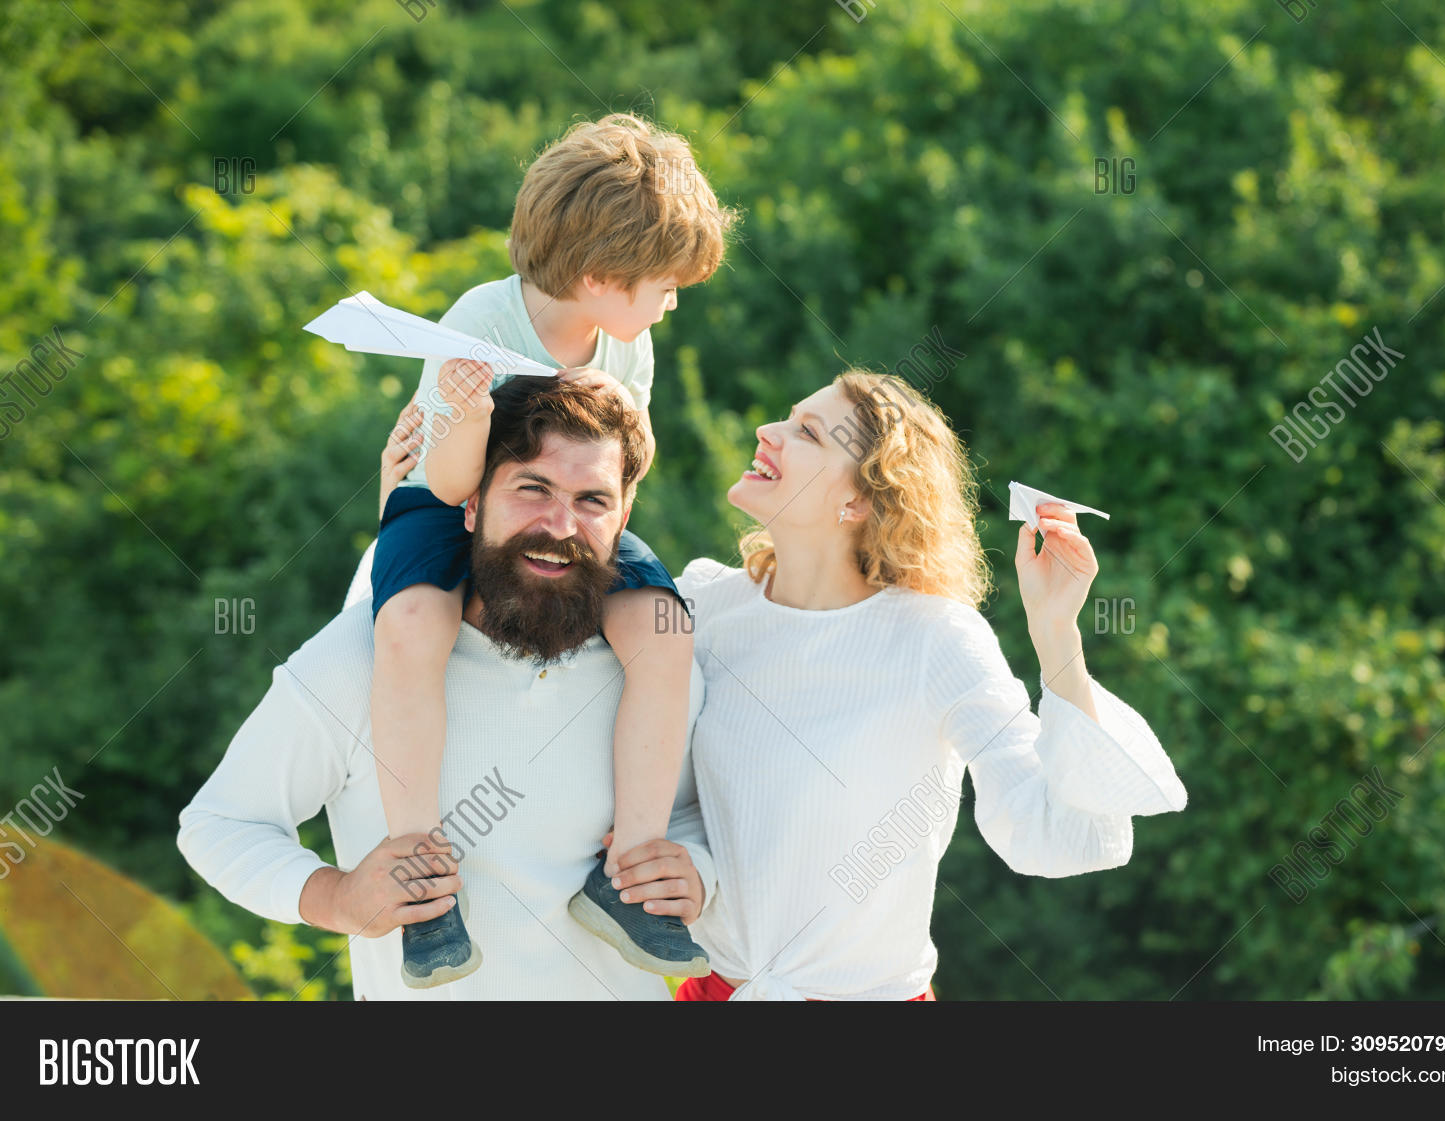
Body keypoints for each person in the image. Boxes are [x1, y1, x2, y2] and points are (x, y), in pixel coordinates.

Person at [635, 368, 1190, 1000]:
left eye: (807, 432)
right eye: (788, 418)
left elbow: (1056, 832)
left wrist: (1055, 628)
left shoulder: (935, 640)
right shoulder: (704, 606)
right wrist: (693, 867)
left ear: (860, 501)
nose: (769, 431)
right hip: (712, 992)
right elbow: (666, 790)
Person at [179, 378, 715, 1000]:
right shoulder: (359, 658)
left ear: (622, 519)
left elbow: (697, 815)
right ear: (470, 502)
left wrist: (696, 872)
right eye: (531, 488)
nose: (560, 524)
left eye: (592, 500)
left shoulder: (661, 663)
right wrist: (338, 899)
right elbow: (220, 824)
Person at [366, 112, 734, 986]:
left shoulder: (626, 342)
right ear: (603, 276)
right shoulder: (480, 319)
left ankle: (632, 869)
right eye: (664, 285)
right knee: (413, 627)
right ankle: (423, 879)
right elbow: (453, 485)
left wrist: (622, 426)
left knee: (663, 630)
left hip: (568, 512)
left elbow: (625, 475)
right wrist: (468, 412)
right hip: (457, 497)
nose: (671, 300)